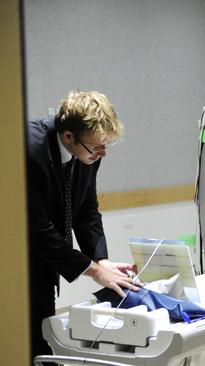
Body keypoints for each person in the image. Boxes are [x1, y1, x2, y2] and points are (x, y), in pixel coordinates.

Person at [26, 91, 141, 360]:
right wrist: (95, 272)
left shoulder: (87, 153)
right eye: (98, 147)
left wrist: (101, 259)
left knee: (41, 341)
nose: (103, 154)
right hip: (13, 260)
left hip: (44, 263)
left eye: (107, 146)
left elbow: (86, 210)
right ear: (69, 136)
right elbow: (35, 229)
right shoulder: (29, 150)